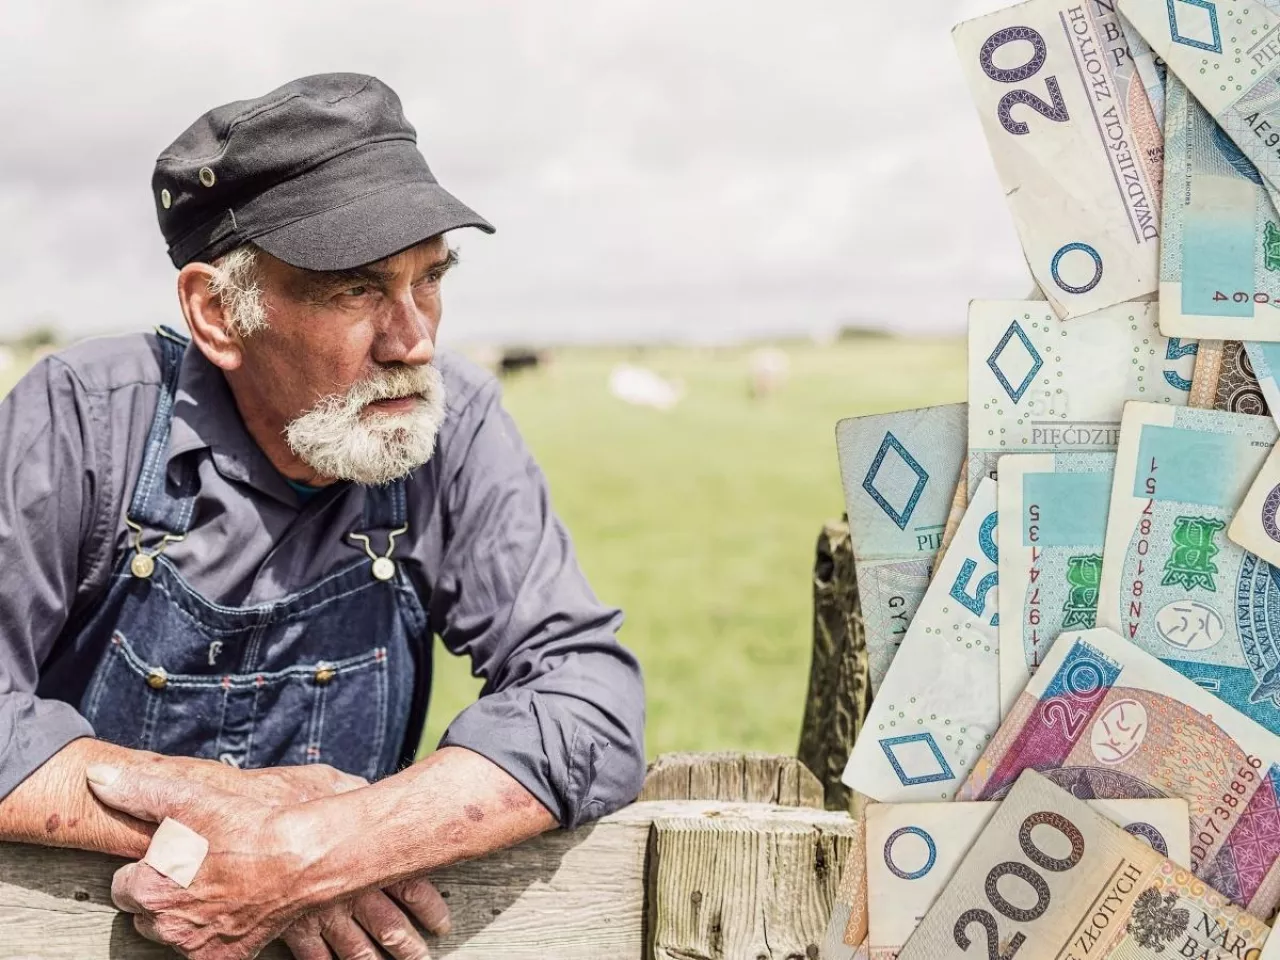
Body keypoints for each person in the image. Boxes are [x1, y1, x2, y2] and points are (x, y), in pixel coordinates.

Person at [0, 73, 646, 960]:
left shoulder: (451, 424)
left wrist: (318, 854)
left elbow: (588, 700)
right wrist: (219, 820)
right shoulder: (83, 421)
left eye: (430, 280)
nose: (412, 339)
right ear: (218, 313)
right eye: (356, 292)